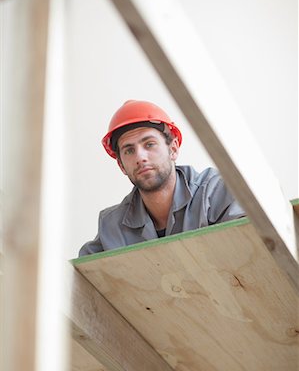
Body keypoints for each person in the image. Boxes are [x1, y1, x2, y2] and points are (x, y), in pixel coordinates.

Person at [79, 100, 245, 256]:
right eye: (129, 150)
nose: (140, 157)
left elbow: (254, 250)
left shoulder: (216, 192)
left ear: (173, 149)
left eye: (149, 144)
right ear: (122, 166)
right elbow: (79, 277)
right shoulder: (111, 227)